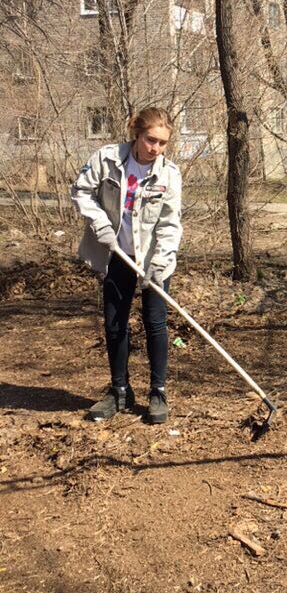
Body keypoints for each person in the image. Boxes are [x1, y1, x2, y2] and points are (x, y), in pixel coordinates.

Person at [71, 107, 183, 422]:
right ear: (137, 133)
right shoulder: (107, 158)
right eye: (151, 140)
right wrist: (100, 225)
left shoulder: (169, 173)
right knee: (115, 323)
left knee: (155, 323)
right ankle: (119, 390)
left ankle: (158, 392)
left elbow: (170, 224)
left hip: (152, 259)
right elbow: (80, 192)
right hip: (117, 254)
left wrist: (160, 264)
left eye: (163, 143)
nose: (156, 148)